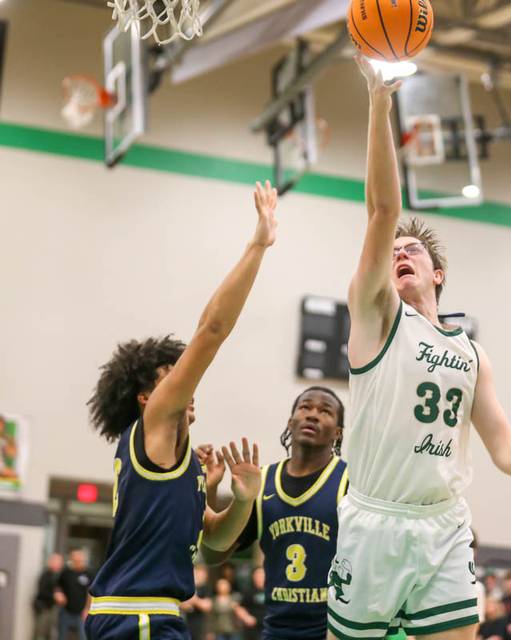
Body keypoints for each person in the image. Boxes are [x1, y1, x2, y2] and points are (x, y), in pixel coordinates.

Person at [326, 53, 511, 640]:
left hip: (443, 525)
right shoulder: (376, 316)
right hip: (375, 520)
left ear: (439, 274)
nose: (399, 253)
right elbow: (381, 211)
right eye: (393, 251)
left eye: (413, 251)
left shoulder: (471, 353)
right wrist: (379, 102)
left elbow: (502, 446)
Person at [84, 180, 279, 639]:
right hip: (140, 616)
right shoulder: (153, 424)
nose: (183, 385)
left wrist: (241, 499)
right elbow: (212, 329)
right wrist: (259, 243)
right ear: (145, 397)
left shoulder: (181, 461)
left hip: (147, 614)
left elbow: (212, 547)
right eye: (168, 378)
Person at [203, 386, 348, 640]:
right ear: (291, 423)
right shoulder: (263, 481)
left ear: (338, 433)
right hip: (275, 630)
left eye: (325, 411)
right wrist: (211, 491)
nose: (312, 415)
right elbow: (213, 553)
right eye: (305, 407)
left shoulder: (350, 482)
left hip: (332, 631)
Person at [57, 549, 93, 640]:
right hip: (66, 612)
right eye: (74, 561)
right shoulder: (66, 572)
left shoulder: (89, 573)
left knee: (83, 637)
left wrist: (87, 609)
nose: (77, 563)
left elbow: (91, 593)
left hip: (82, 613)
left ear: (83, 560)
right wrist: (59, 593)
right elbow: (58, 586)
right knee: (62, 637)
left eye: (79, 560)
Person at [33, 552, 64, 640]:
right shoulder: (45, 575)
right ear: (51, 562)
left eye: (60, 562)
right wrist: (54, 596)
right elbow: (42, 591)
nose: (60, 564)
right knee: (40, 633)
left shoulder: (57, 575)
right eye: (57, 562)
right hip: (44, 608)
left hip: (52, 607)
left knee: (50, 633)